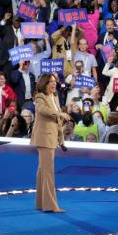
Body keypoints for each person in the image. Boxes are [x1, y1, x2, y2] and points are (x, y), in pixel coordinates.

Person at [30, 74, 70, 213]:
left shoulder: (55, 96)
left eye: (55, 81)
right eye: (51, 82)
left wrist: (61, 138)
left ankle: (41, 203)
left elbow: (56, 120)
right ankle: (51, 205)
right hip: (44, 138)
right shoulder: (40, 96)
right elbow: (43, 110)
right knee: (48, 172)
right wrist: (61, 114)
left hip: (51, 137)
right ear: (44, 83)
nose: (54, 84)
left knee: (43, 171)